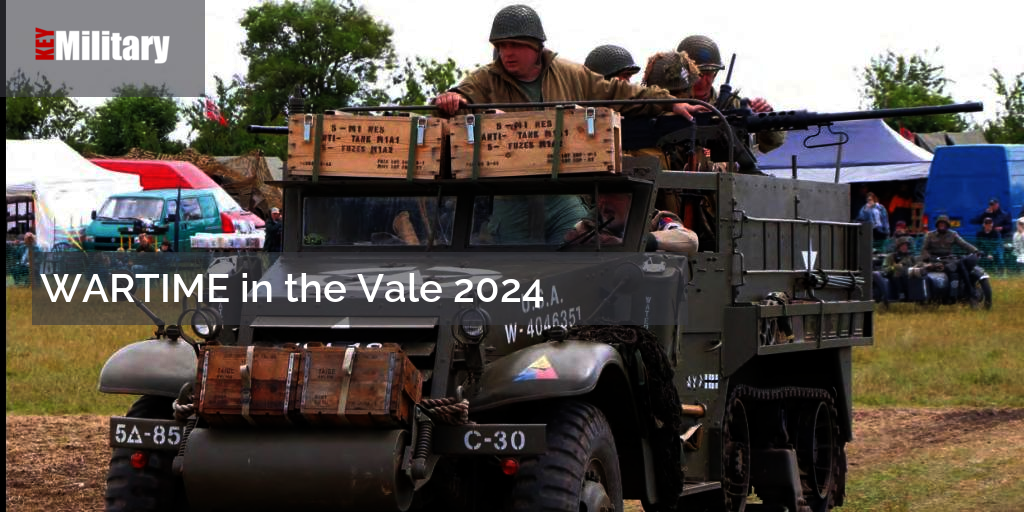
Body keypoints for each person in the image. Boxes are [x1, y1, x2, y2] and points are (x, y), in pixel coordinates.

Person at [433, 5, 704, 121]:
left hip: (563, 184)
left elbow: (618, 93)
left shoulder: (570, 74)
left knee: (578, 224)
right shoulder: (486, 78)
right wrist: (451, 99)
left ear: (535, 47)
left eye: (515, 45)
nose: (507, 53)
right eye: (502, 46)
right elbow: (460, 95)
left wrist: (670, 102)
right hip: (510, 187)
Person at [676, 35, 785, 153]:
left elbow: (774, 142)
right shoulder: (669, 104)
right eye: (696, 74)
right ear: (681, 74)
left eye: (708, 73)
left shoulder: (733, 105)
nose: (702, 82)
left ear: (715, 73)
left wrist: (765, 117)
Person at [563, 193, 698, 256]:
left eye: (611, 194)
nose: (603, 201)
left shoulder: (656, 220)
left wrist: (628, 243)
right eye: (599, 195)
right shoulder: (586, 227)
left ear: (632, 199)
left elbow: (690, 240)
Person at [882, 236, 914, 300]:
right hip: (894, 277)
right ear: (898, 247)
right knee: (898, 270)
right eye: (903, 246)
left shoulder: (910, 257)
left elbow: (916, 266)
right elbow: (885, 271)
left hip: (908, 276)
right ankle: (901, 294)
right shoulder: (891, 256)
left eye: (906, 246)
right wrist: (894, 267)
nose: (905, 247)